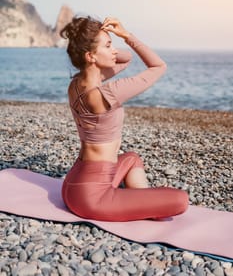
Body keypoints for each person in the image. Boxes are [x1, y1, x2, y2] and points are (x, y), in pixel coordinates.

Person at [61, 16, 189, 221]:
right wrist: (127, 36)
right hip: (92, 198)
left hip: (74, 184)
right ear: (90, 56)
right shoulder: (106, 93)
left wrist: (106, 41)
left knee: (131, 158)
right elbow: (158, 66)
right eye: (109, 46)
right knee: (181, 200)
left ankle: (143, 201)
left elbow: (126, 58)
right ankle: (146, 205)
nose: (114, 51)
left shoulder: (77, 84)